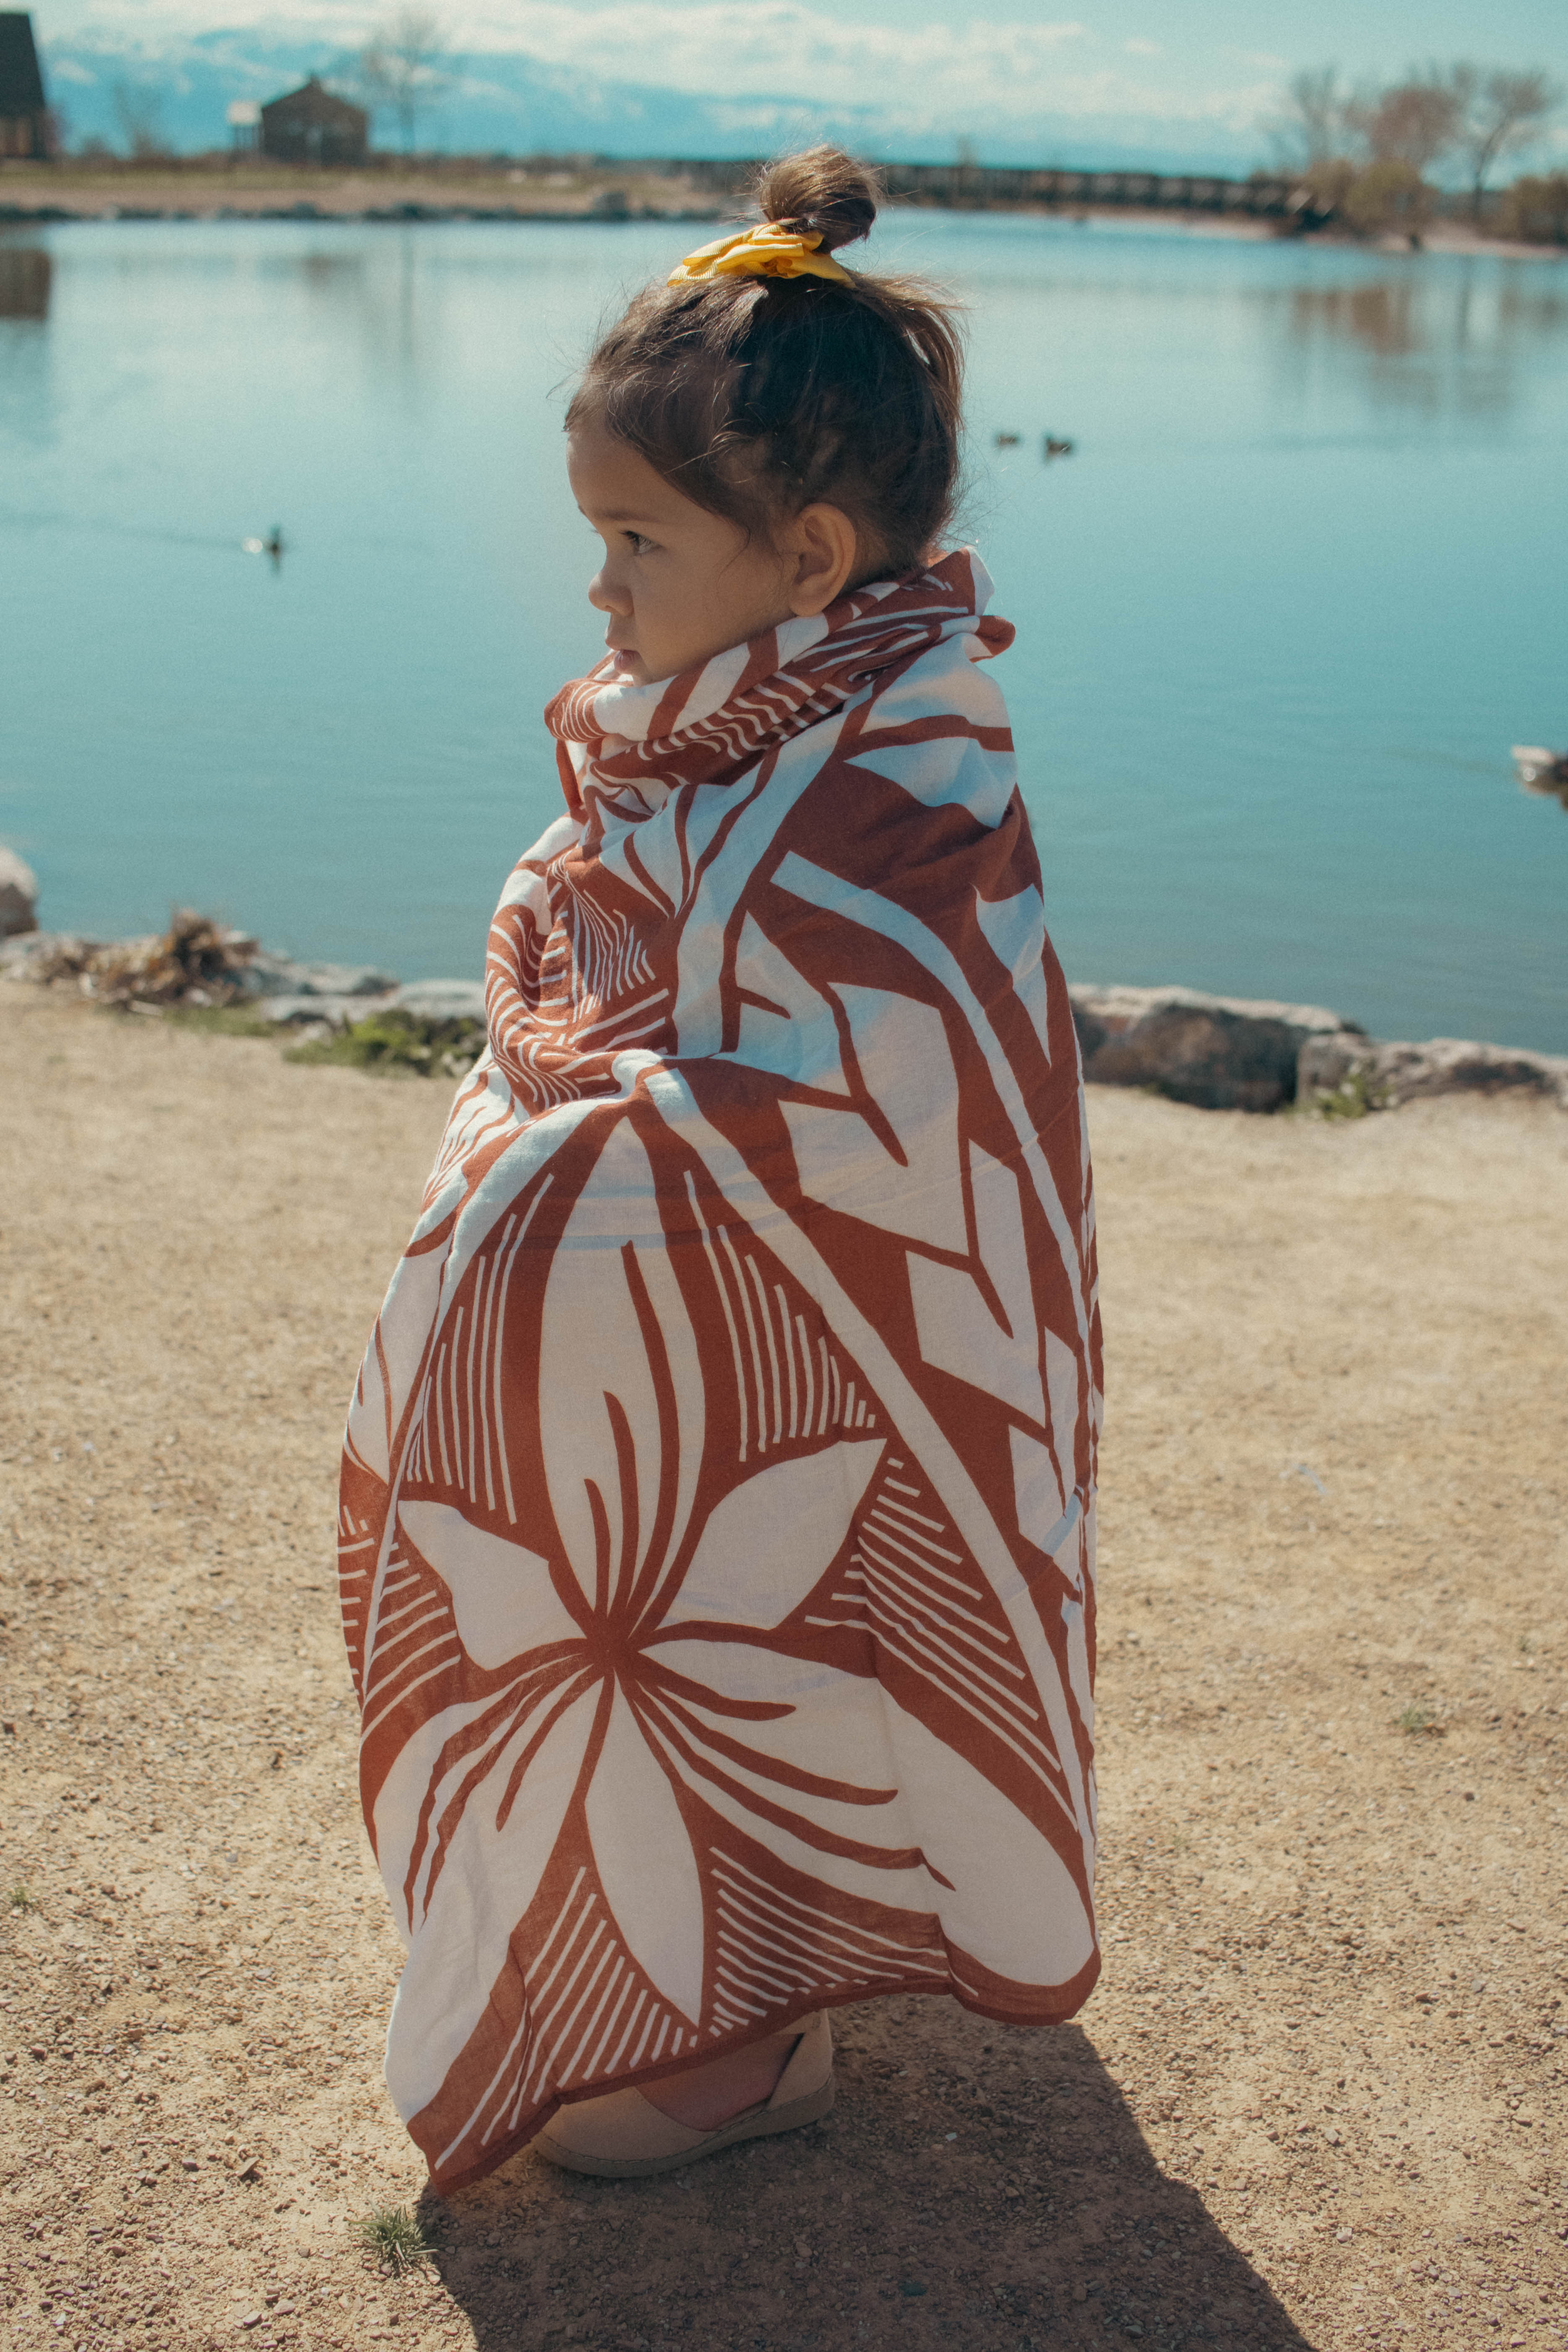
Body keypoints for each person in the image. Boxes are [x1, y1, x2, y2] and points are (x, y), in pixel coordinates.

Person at [339, 145, 1102, 2195]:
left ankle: (744, 2025)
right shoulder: (708, 703)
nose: (596, 590)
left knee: (764, 1577)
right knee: (649, 1546)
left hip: (846, 1307)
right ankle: (713, 1969)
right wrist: (546, 1111)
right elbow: (604, 921)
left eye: (633, 541)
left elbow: (898, 1065)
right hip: (701, 1291)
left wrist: (571, 1173)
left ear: (810, 551)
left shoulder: (903, 765)